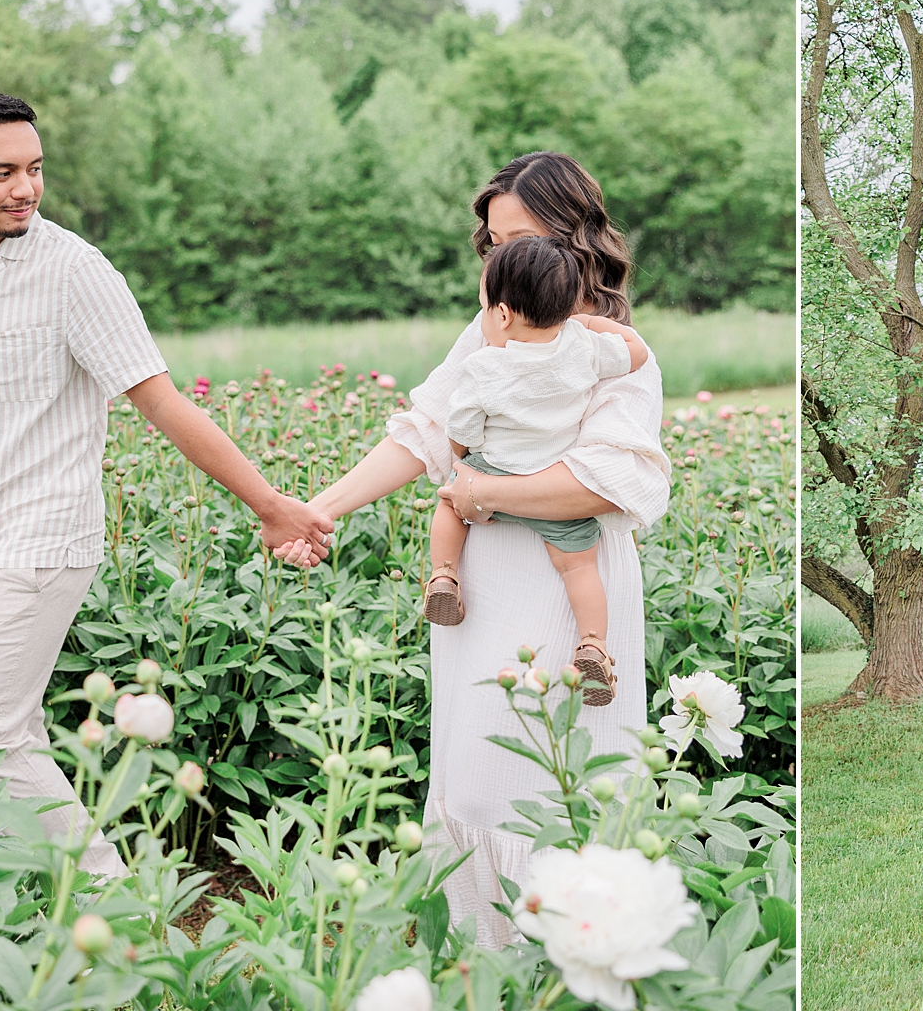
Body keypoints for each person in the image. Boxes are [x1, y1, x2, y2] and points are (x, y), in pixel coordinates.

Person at [0, 91, 332, 877]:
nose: (26, 187)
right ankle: (42, 914)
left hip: (41, 534)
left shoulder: (74, 269)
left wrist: (269, 504)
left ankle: (113, 916)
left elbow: (157, 397)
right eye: (2, 172)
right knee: (2, 743)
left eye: (35, 169)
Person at [282, 151, 669, 945]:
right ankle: (476, 966)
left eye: (517, 239)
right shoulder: (487, 331)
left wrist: (476, 492)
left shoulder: (615, 348)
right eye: (490, 243)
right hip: (481, 581)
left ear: (574, 236)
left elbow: (603, 485)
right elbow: (427, 432)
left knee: (539, 778)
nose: (497, 260)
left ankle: (564, 964)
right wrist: (315, 511)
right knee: (467, 773)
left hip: (566, 582)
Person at [423, 235, 649, 713]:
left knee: (449, 504)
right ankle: (592, 645)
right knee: (579, 567)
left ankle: (443, 577)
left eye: (484, 307)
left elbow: (460, 426)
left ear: (502, 315)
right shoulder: (584, 349)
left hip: (494, 467)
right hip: (552, 481)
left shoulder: (483, 365)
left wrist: (465, 459)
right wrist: (587, 323)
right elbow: (636, 353)